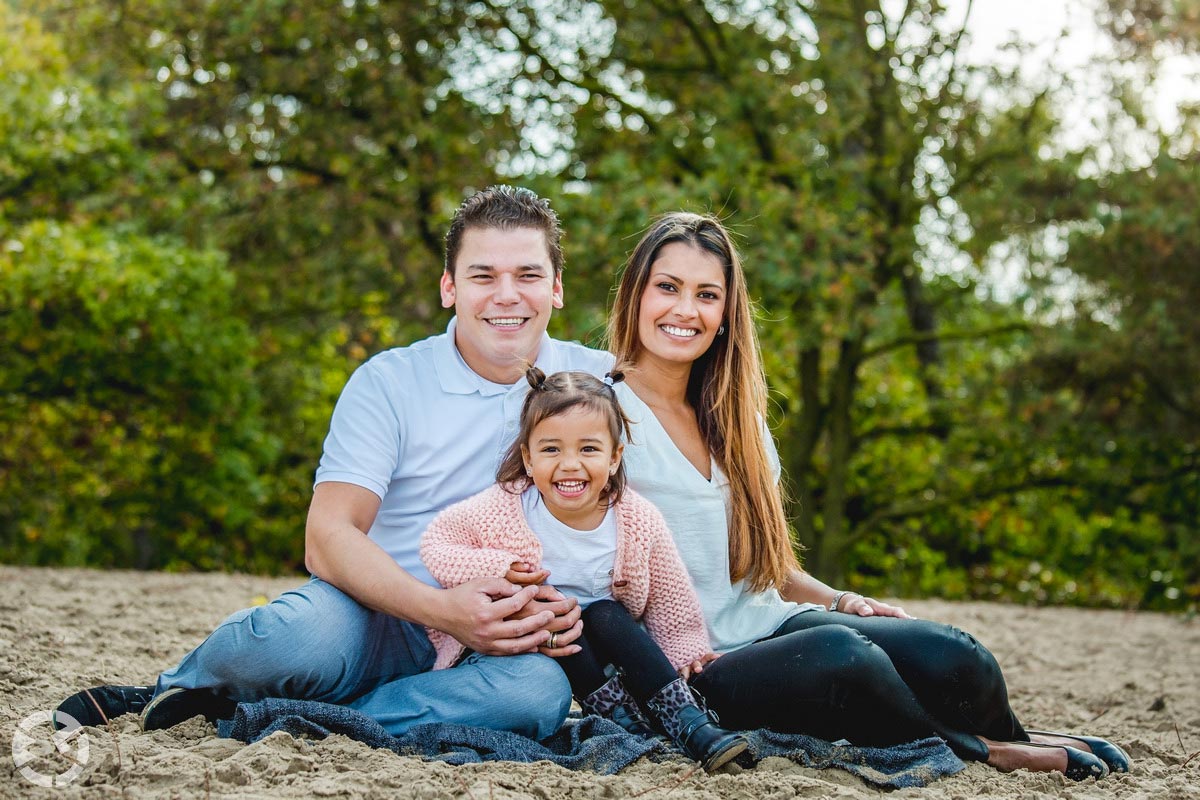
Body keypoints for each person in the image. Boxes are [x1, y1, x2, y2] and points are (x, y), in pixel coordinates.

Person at [56, 185, 611, 739]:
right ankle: (178, 686)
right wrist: (442, 609)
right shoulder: (390, 381)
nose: (506, 295)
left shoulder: (601, 384)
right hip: (378, 613)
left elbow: (644, 518)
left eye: (529, 276)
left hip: (508, 644)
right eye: (483, 275)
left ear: (557, 288)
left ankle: (307, 715)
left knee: (537, 696)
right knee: (284, 641)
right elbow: (327, 536)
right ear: (450, 287)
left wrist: (571, 609)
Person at [605, 211, 1131, 781]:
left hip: (771, 622)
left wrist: (839, 599)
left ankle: (1015, 738)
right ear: (635, 295)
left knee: (956, 655)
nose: (686, 310)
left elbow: (761, 566)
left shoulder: (739, 422)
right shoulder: (599, 417)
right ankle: (982, 751)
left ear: (727, 316)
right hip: (696, 663)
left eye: (707, 294)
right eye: (667, 287)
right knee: (845, 658)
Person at [419, 366, 748, 771]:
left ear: (614, 458)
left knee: (605, 613)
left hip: (606, 642)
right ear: (528, 457)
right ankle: (623, 723)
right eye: (552, 450)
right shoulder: (503, 507)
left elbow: (669, 592)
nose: (570, 465)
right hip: (528, 644)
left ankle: (692, 723)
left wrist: (686, 648)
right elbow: (437, 542)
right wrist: (502, 568)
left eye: (588, 449)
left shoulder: (636, 519)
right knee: (560, 618)